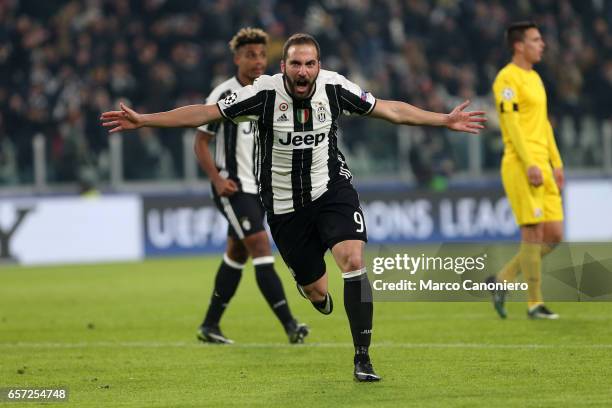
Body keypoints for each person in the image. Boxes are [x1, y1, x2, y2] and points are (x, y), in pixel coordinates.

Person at [101, 33, 486, 382]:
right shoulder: (262, 94)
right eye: (296, 64)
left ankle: (363, 359)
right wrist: (144, 121)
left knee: (353, 260)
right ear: (283, 66)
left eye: (310, 64)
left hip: (331, 188)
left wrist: (443, 120)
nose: (304, 71)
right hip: (285, 206)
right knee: (317, 289)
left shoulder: (335, 88)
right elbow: (204, 114)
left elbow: (392, 111)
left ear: (319, 66)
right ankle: (312, 293)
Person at [194, 28, 308, 344]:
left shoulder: (271, 91)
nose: (258, 61)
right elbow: (201, 142)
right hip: (233, 187)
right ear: (237, 58)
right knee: (259, 245)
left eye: (261, 54)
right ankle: (290, 325)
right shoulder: (222, 95)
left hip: (261, 188)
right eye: (250, 55)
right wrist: (216, 179)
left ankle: (210, 326)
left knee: (237, 253)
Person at [487, 22, 564, 320]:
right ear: (519, 45)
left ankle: (502, 278)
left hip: (543, 163)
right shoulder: (507, 79)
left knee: (554, 234)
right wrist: (530, 162)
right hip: (521, 164)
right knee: (532, 232)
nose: (542, 44)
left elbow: (543, 125)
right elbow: (512, 125)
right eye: (536, 39)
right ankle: (535, 304)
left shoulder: (536, 79)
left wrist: (555, 163)